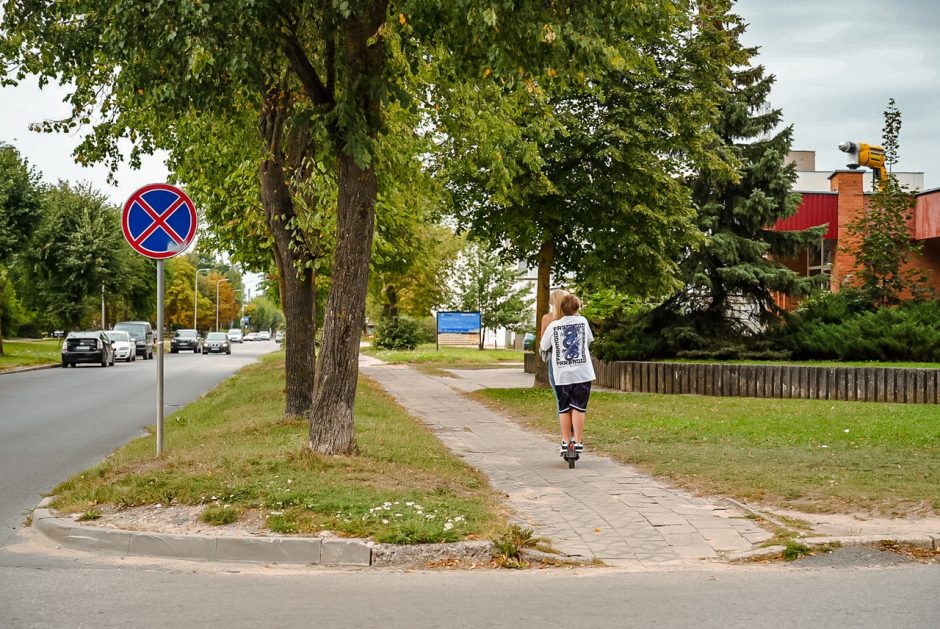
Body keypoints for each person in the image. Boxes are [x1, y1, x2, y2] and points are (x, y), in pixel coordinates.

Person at [539, 293, 595, 455]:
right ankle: (577, 442)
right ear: (577, 308)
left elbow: (543, 346)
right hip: (583, 373)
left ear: (560, 308)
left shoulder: (553, 326)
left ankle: (565, 441)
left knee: (564, 408)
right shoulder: (583, 322)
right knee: (579, 408)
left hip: (562, 375)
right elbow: (589, 340)